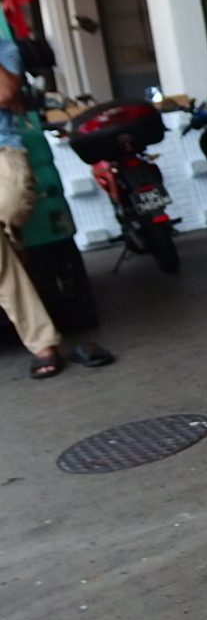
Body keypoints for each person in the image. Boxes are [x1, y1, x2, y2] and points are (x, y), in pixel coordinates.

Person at [0, 35, 112, 377]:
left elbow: (6, 94)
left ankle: (14, 240)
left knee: (11, 207)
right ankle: (42, 343)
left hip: (2, 151)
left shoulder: (4, 48)